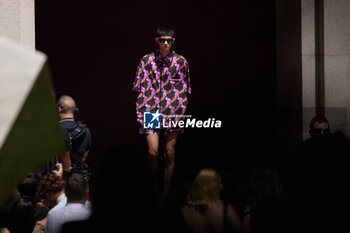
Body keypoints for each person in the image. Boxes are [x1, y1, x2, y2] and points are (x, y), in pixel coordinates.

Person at [132, 26, 191, 201]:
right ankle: (153, 187)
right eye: (162, 40)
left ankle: (165, 192)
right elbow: (138, 87)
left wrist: (179, 110)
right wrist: (143, 109)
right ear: (157, 41)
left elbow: (185, 89)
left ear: (173, 41)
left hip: (172, 110)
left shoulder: (181, 62)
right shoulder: (146, 60)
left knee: (169, 152)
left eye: (169, 40)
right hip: (151, 109)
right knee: (152, 152)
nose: (165, 43)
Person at [180, 168, 245, 233]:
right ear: (211, 186)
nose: (221, 186)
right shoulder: (226, 209)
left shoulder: (184, 210)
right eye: (219, 182)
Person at [57, 95, 91, 178]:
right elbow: (83, 159)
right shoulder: (86, 131)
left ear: (59, 109)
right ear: (74, 110)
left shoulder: (54, 130)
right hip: (77, 180)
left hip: (58, 181)